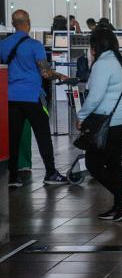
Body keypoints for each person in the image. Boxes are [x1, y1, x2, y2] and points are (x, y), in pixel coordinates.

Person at [1, 10, 69, 187]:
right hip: (31, 97)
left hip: (11, 97)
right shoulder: (34, 45)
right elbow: (45, 73)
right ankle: (50, 172)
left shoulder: (4, 44)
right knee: (43, 135)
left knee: (13, 137)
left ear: (12, 23)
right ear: (28, 23)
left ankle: (13, 176)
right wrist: (59, 75)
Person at [77, 27, 122, 222]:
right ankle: (120, 203)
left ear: (95, 46)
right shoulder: (118, 61)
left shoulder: (102, 64)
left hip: (108, 122)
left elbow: (95, 97)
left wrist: (81, 116)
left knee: (93, 163)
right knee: (113, 163)